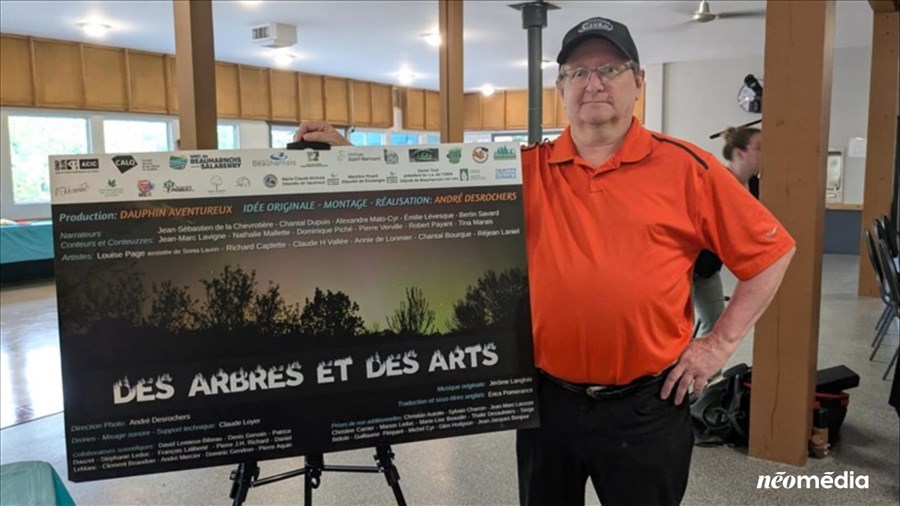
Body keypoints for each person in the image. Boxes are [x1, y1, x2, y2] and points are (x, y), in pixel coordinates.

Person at [294, 16, 795, 506]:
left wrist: (718, 344)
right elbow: (422, 195)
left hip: (647, 407)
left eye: (610, 69)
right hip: (545, 403)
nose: (593, 82)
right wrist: (348, 155)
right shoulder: (525, 168)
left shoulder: (688, 166)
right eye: (577, 72)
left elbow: (772, 252)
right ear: (561, 88)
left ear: (638, 82)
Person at [692, 126, 762, 339]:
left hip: (708, 268)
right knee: (674, 329)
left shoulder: (755, 185)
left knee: (715, 325)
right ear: (740, 153)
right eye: (760, 148)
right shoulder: (716, 180)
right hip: (684, 263)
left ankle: (702, 372)